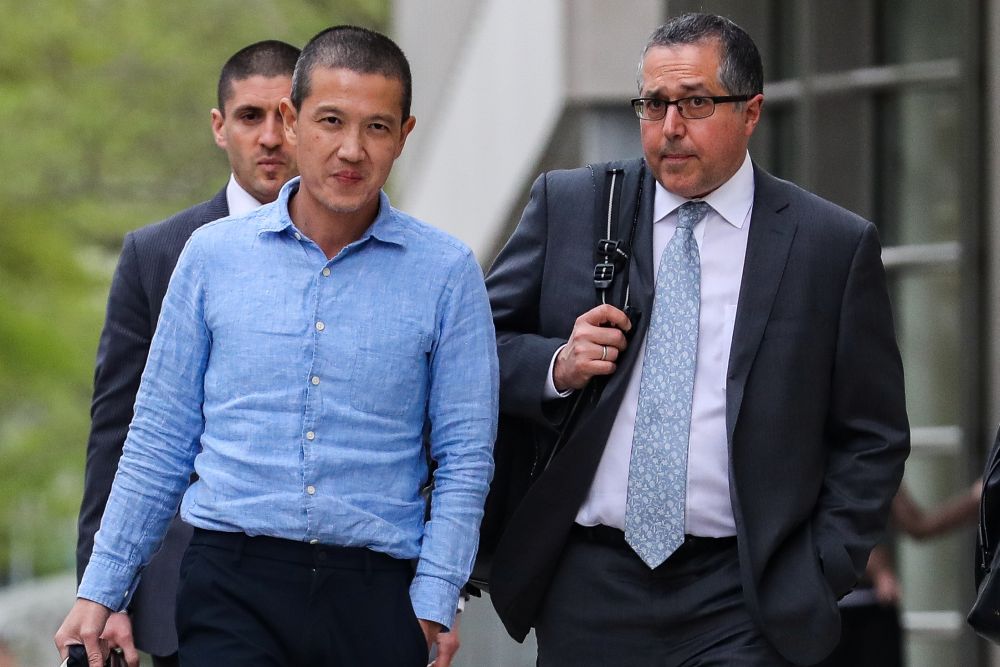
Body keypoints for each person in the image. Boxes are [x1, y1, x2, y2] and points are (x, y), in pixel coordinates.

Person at [56, 25, 497, 667]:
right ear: (293, 123)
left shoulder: (448, 273)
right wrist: (101, 590)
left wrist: (434, 599)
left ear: (404, 135)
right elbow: (157, 440)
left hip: (376, 595)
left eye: (376, 127)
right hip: (231, 583)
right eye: (330, 121)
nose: (351, 149)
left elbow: (464, 457)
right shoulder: (209, 257)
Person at [484, 12, 909, 666]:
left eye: (696, 103)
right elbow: (475, 353)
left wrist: (821, 567)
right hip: (590, 580)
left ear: (752, 111)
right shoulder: (573, 205)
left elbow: (873, 433)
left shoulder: (830, 246)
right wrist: (557, 365)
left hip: (741, 592)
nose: (671, 127)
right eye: (654, 105)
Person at [73, 39, 300, 667]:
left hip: (335, 593)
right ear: (219, 128)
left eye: (286, 114)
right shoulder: (157, 254)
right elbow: (116, 437)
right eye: (251, 116)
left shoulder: (381, 254)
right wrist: (104, 593)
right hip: (187, 596)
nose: (271, 136)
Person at [818, 480, 982, 667]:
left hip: (872, 605)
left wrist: (977, 498)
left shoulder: (878, 462)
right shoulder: (815, 465)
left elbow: (918, 524)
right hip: (829, 609)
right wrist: (879, 569)